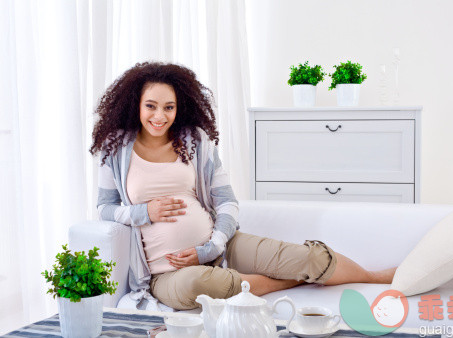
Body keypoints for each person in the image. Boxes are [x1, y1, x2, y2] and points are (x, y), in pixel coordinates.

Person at [89, 61, 396, 310]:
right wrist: (144, 212)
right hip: (166, 272)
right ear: (136, 105)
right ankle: (291, 281)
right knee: (196, 285)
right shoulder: (116, 150)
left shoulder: (195, 141)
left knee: (309, 257)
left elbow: (227, 202)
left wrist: (212, 246)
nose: (160, 116)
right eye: (151, 106)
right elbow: (105, 208)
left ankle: (373, 277)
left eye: (169, 107)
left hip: (222, 247)